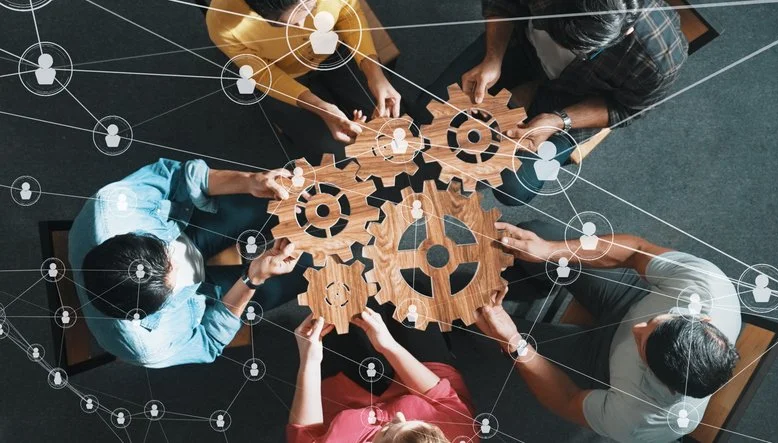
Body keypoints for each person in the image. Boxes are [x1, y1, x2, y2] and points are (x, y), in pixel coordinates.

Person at [477, 220, 741, 441]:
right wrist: (549, 250)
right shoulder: (708, 286)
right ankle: (538, 283)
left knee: (472, 329)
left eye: (642, 344)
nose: (637, 329)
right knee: (529, 233)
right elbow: (637, 251)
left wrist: (514, 344)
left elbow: (568, 400)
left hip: (599, 369)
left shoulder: (639, 419)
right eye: (656, 322)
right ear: (703, 319)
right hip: (629, 298)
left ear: (665, 386)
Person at [422, 0, 688, 205]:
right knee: (428, 111)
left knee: (514, 188)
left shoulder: (660, 60)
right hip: (519, 48)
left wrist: (558, 119)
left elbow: (627, 109)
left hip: (575, 98)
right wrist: (493, 57)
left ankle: (539, 101)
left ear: (624, 31)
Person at [69, 158, 310, 368]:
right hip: (207, 295)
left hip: (186, 227)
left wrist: (249, 181)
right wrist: (252, 279)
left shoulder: (113, 206)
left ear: (132, 235)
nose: (186, 269)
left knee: (290, 193)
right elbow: (209, 341)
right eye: (174, 285)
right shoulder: (149, 347)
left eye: (166, 253)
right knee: (308, 269)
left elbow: (177, 176)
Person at [206, 0, 402, 162]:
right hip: (282, 76)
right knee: (333, 157)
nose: (301, 26)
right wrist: (320, 107)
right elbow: (262, 74)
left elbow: (348, 10)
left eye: (310, 6)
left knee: (391, 126)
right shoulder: (221, 20)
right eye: (281, 24)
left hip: (333, 49)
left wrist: (375, 74)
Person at [286, 307, 476, 442]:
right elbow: (440, 396)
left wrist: (309, 361)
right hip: (425, 385)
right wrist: (387, 345)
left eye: (387, 431)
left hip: (346, 397)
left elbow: (304, 433)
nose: (400, 415)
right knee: (411, 293)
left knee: (341, 309)